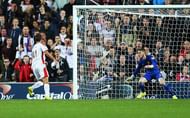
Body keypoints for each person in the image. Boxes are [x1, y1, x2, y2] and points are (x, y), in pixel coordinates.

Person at [27, 33, 57, 100]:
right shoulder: (41, 45)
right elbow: (47, 53)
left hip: (34, 66)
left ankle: (31, 88)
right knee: (46, 79)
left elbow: (34, 57)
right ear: (41, 39)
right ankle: (47, 96)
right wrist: (54, 59)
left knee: (41, 81)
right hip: (40, 65)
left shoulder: (34, 47)